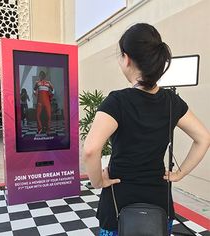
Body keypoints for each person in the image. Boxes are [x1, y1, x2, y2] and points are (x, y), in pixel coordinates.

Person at [82, 23, 210, 236]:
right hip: (159, 205)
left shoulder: (117, 102)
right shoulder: (172, 102)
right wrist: (179, 174)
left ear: (127, 58)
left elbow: (90, 150)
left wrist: (98, 181)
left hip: (117, 204)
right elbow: (204, 138)